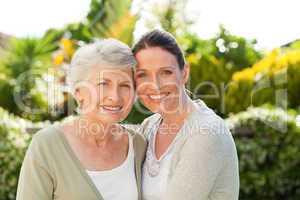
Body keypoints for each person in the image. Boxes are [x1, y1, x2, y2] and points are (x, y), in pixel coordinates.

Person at [17, 39, 147, 200]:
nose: (115, 96)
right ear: (78, 92)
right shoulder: (47, 145)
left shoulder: (138, 144)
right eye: (103, 84)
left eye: (125, 85)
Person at [132, 29, 239, 200]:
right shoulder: (149, 127)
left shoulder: (207, 132)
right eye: (143, 74)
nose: (155, 85)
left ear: (184, 73)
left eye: (166, 72)